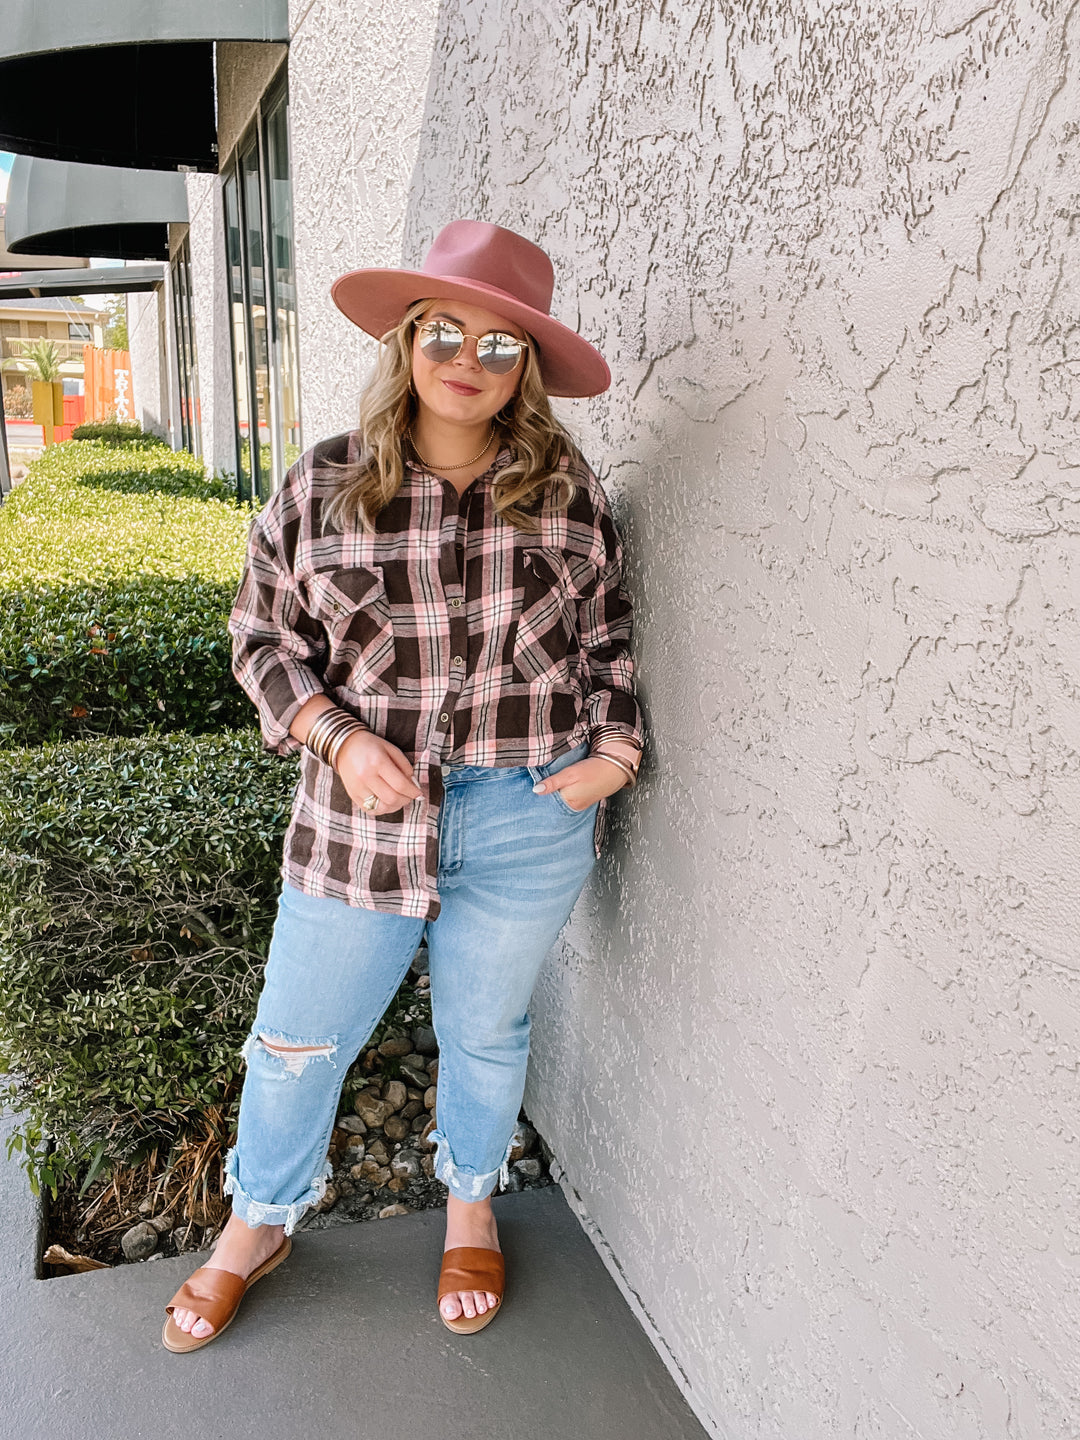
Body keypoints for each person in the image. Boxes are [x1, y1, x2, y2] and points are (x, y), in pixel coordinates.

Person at [162, 219, 645, 1351]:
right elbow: (259, 638)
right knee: (296, 1037)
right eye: (445, 332)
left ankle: (469, 1198)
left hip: (529, 815)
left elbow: (610, 642)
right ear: (407, 341)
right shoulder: (325, 482)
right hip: (359, 820)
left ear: (525, 366)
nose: (466, 361)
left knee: (487, 1031)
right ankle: (259, 1221)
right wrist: (334, 734)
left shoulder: (567, 490)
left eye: (498, 344)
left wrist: (608, 763)